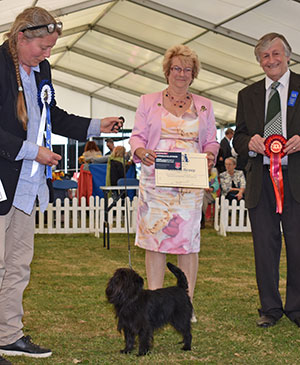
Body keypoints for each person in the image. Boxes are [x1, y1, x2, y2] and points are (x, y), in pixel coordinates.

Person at [0, 7, 123, 363]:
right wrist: (31, 151)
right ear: (21, 36)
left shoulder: (42, 71)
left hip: (26, 183)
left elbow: (55, 117)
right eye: (42, 46)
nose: (47, 54)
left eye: (51, 48)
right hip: (5, 177)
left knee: (18, 265)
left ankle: (8, 334)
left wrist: (99, 125)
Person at [129, 44, 219, 322]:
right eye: (177, 68)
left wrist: (211, 156)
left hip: (189, 184)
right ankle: (155, 302)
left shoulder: (205, 105)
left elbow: (212, 141)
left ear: (193, 74)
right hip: (156, 181)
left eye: (187, 69)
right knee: (155, 241)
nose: (181, 73)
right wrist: (140, 151)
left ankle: (185, 305)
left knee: (188, 243)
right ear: (167, 71)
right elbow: (136, 137)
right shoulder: (147, 101)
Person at [233, 32, 300, 328]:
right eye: (265, 56)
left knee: (298, 246)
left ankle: (297, 309)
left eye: (275, 54)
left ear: (288, 56)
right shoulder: (247, 95)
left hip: (296, 179)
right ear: (259, 62)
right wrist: (251, 142)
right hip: (261, 182)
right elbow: (238, 137)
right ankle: (270, 309)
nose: (271, 60)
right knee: (264, 248)